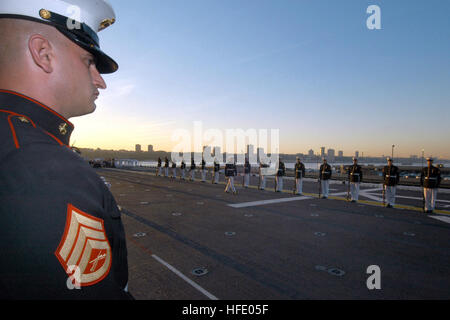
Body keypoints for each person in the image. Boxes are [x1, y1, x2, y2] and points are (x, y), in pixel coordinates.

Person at [0, 0, 131, 299]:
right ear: (43, 54)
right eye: (89, 62)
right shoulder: (46, 171)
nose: (100, 81)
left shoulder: (14, 141)